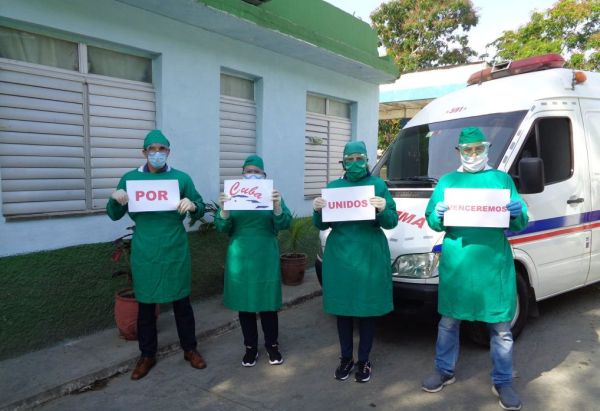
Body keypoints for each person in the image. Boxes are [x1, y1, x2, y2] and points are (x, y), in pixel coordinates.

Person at [421, 127, 528, 411]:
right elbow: (431, 220)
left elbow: (521, 221)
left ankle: (503, 380)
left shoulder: (501, 180)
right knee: (448, 322)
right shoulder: (448, 182)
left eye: (477, 149)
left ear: (487, 149)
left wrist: (519, 213)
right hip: (458, 264)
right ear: (459, 152)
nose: (472, 154)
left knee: (501, 328)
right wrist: (437, 214)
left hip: (493, 264)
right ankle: (444, 370)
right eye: (466, 150)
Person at [107, 129, 207, 380]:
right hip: (146, 247)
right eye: (152, 149)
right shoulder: (130, 179)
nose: (157, 153)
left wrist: (193, 206)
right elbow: (114, 214)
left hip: (174, 245)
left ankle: (190, 349)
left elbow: (200, 206)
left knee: (182, 302)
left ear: (168, 152)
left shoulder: (181, 178)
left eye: (162, 149)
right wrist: (115, 200)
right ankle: (147, 355)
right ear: (144, 152)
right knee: (146, 304)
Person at [312, 140, 398, 383]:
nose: (354, 163)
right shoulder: (334, 187)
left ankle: (364, 360)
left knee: (366, 310)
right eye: (349, 159)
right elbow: (321, 225)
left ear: (367, 159)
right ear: (343, 161)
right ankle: (346, 358)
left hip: (369, 255)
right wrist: (318, 210)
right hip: (340, 257)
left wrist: (383, 209)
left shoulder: (378, 185)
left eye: (359, 157)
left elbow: (392, 221)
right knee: (343, 310)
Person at [214, 155, 292, 367]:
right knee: (245, 305)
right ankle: (250, 348)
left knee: (267, 304)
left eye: (257, 171)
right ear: (242, 174)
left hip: (265, 253)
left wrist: (277, 207)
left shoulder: (270, 195)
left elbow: (285, 222)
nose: (252, 174)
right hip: (240, 254)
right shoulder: (234, 195)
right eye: (248, 171)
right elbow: (222, 228)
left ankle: (272, 346)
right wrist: (224, 211)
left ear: (264, 175)